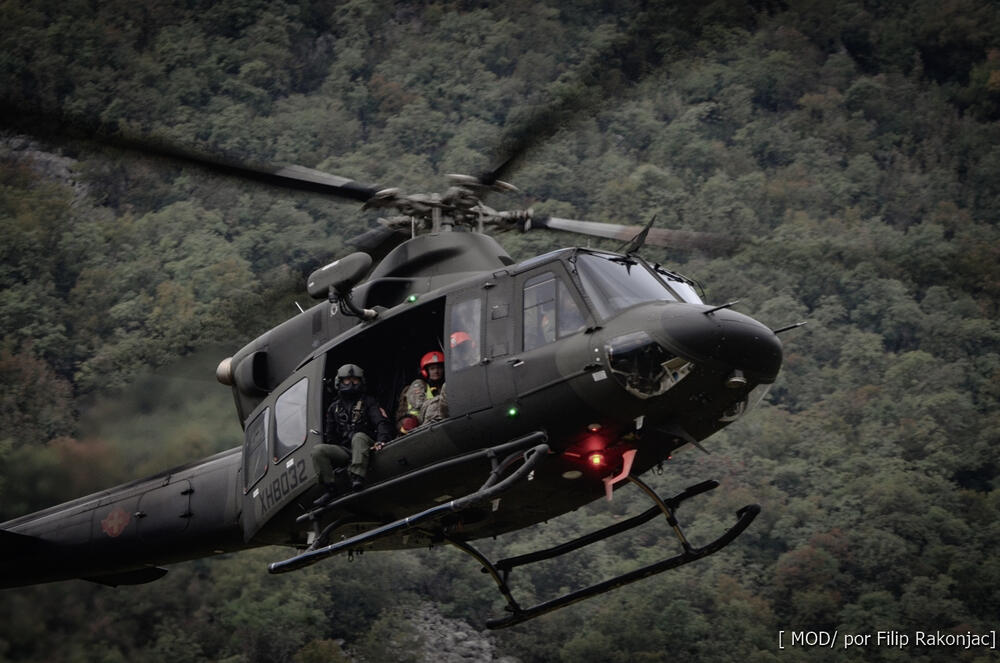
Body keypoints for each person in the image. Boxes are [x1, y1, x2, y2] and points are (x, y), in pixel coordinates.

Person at [312, 363, 392, 506]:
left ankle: (357, 477)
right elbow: (330, 436)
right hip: (346, 450)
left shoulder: (369, 402)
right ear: (340, 382)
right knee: (318, 450)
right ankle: (330, 488)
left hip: (366, 444)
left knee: (359, 437)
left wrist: (382, 440)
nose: (351, 383)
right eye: (347, 380)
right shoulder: (334, 408)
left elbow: (381, 422)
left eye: (355, 380)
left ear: (361, 381)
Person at [396, 351, 448, 433]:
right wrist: (439, 399)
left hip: (441, 419)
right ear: (426, 371)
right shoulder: (419, 384)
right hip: (420, 422)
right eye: (432, 368)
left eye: (439, 368)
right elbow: (418, 404)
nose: (436, 371)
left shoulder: (445, 386)